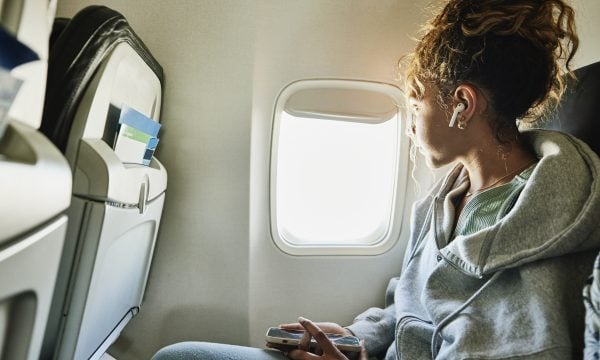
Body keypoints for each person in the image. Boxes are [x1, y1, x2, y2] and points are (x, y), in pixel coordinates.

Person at [153, 0, 600, 359]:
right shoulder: (442, 202)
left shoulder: (543, 218)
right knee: (180, 354)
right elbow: (408, 306)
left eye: (417, 102)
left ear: (463, 104)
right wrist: (356, 337)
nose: (410, 123)